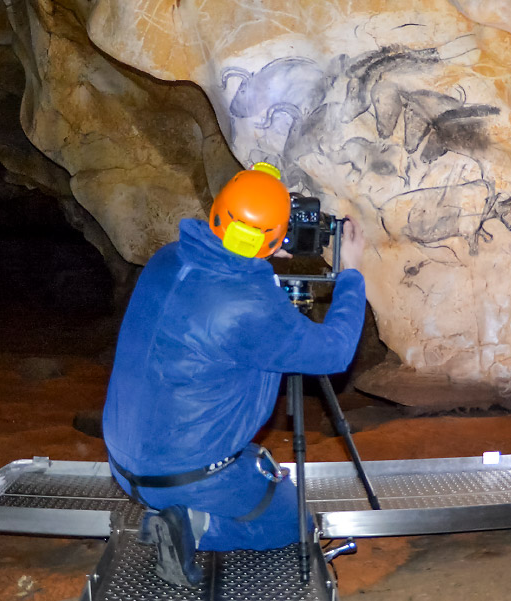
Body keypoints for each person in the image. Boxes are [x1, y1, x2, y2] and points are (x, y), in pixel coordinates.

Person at [101, 162, 367, 587]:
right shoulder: (250, 308)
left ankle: (185, 505)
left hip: (124, 461)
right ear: (276, 239)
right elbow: (334, 351)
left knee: (252, 461)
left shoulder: (166, 259)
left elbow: (223, 291)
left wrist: (262, 256)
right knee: (291, 521)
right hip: (182, 475)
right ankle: (193, 524)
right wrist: (351, 273)